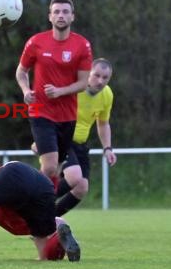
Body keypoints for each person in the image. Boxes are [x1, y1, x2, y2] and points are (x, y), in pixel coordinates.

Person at [15, 0, 93, 188]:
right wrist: (26, 90)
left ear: (72, 17)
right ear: (50, 16)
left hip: (67, 115)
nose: (61, 15)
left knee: (57, 168)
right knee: (49, 167)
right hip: (41, 111)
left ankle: (46, 210)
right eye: (56, 12)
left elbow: (83, 83)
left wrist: (60, 91)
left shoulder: (82, 45)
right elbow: (21, 71)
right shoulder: (36, 42)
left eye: (65, 12)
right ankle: (30, 201)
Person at [33, 58, 116, 216]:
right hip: (61, 138)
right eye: (96, 75)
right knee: (74, 176)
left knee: (81, 188)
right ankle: (37, 201)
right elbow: (46, 111)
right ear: (88, 73)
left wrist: (107, 148)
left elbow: (103, 124)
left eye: (105, 78)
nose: (100, 81)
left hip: (80, 145)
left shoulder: (107, 95)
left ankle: (47, 221)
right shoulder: (72, 88)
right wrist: (41, 139)